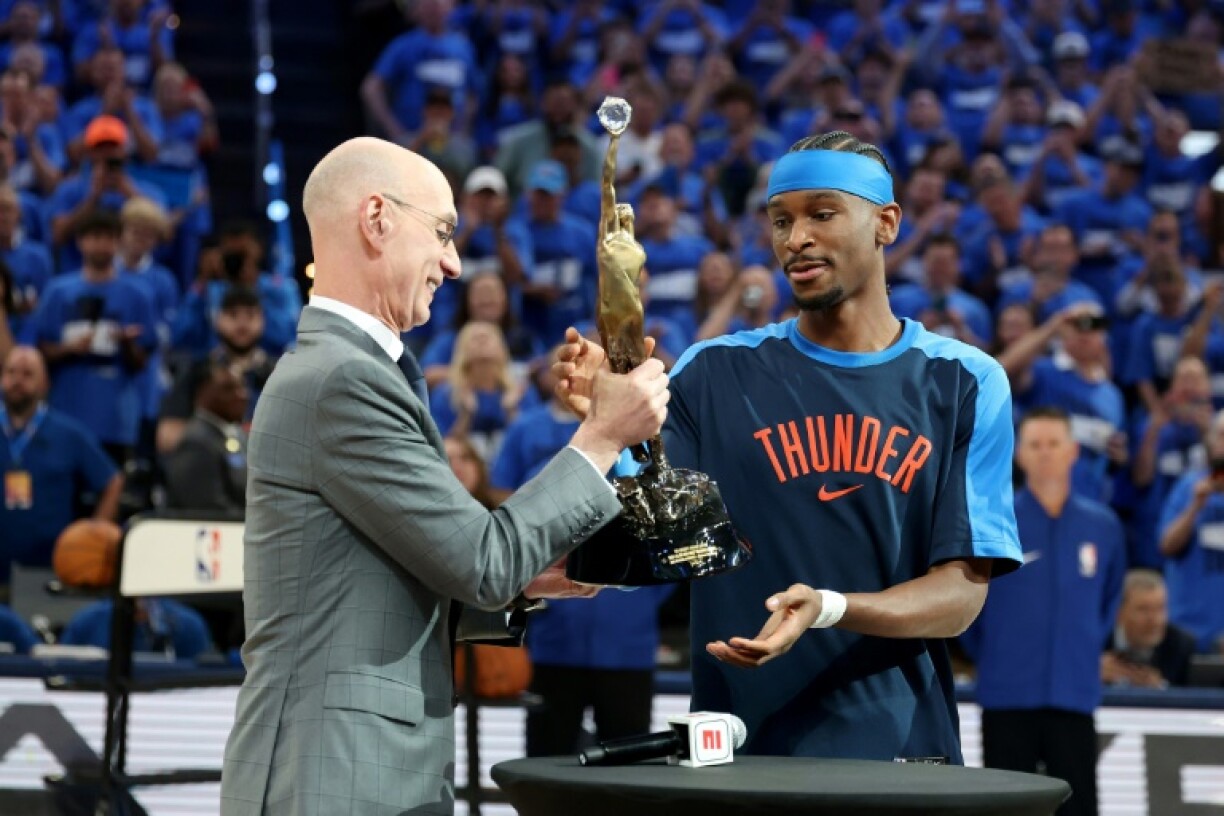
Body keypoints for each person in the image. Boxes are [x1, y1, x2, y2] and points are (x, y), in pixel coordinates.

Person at [219, 138, 669, 816]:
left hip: (356, 767)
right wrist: (602, 434)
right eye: (443, 232)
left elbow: (403, 578)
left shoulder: (358, 373)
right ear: (376, 219)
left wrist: (532, 574)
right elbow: (481, 560)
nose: (454, 263)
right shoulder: (343, 380)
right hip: (333, 775)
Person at [555, 131, 1022, 762]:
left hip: (901, 753)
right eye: (780, 220)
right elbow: (636, 545)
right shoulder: (714, 373)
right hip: (741, 749)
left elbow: (962, 596)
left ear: (885, 223)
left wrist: (830, 608)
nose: (795, 238)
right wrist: (602, 426)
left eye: (822, 214)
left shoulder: (964, 381)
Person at [962, 407, 1125, 816]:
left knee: (1078, 806)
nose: (1045, 453)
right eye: (1035, 444)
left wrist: (1084, 650)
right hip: (1006, 694)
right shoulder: (992, 522)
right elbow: (966, 605)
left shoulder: (1102, 526)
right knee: (1005, 808)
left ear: (1073, 451)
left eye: (1054, 443)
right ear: (1019, 454)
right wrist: (994, 656)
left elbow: (1108, 601)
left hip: (1074, 694)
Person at [0, 346, 122, 586]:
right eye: (11, 372)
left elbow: (113, 482)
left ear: (45, 383)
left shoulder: (69, 434)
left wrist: (94, 535)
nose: (17, 381)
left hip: (49, 571)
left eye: (27, 374)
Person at [162, 359, 247, 513]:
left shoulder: (235, 435)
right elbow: (208, 510)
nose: (242, 395)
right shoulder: (196, 443)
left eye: (242, 386)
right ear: (202, 393)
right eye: (228, 388)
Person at [1103, 569, 1196, 689]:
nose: (1155, 620)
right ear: (1119, 613)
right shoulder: (1096, 642)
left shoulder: (1181, 646)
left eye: (1160, 609)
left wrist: (1160, 688)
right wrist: (1091, 674)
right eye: (1143, 610)